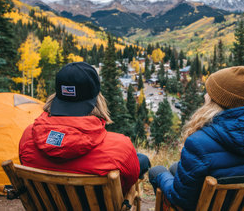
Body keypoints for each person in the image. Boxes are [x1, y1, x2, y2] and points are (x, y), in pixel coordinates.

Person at [149, 66, 244, 210]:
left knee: (158, 171)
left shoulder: (198, 142)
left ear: (216, 100)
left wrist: (160, 176)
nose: (205, 95)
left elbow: (180, 198)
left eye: (209, 92)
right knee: (175, 167)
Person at [19, 62, 150, 195]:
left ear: (56, 96)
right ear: (98, 100)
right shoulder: (120, 147)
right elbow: (128, 182)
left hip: (47, 204)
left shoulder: (28, 137)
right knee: (142, 160)